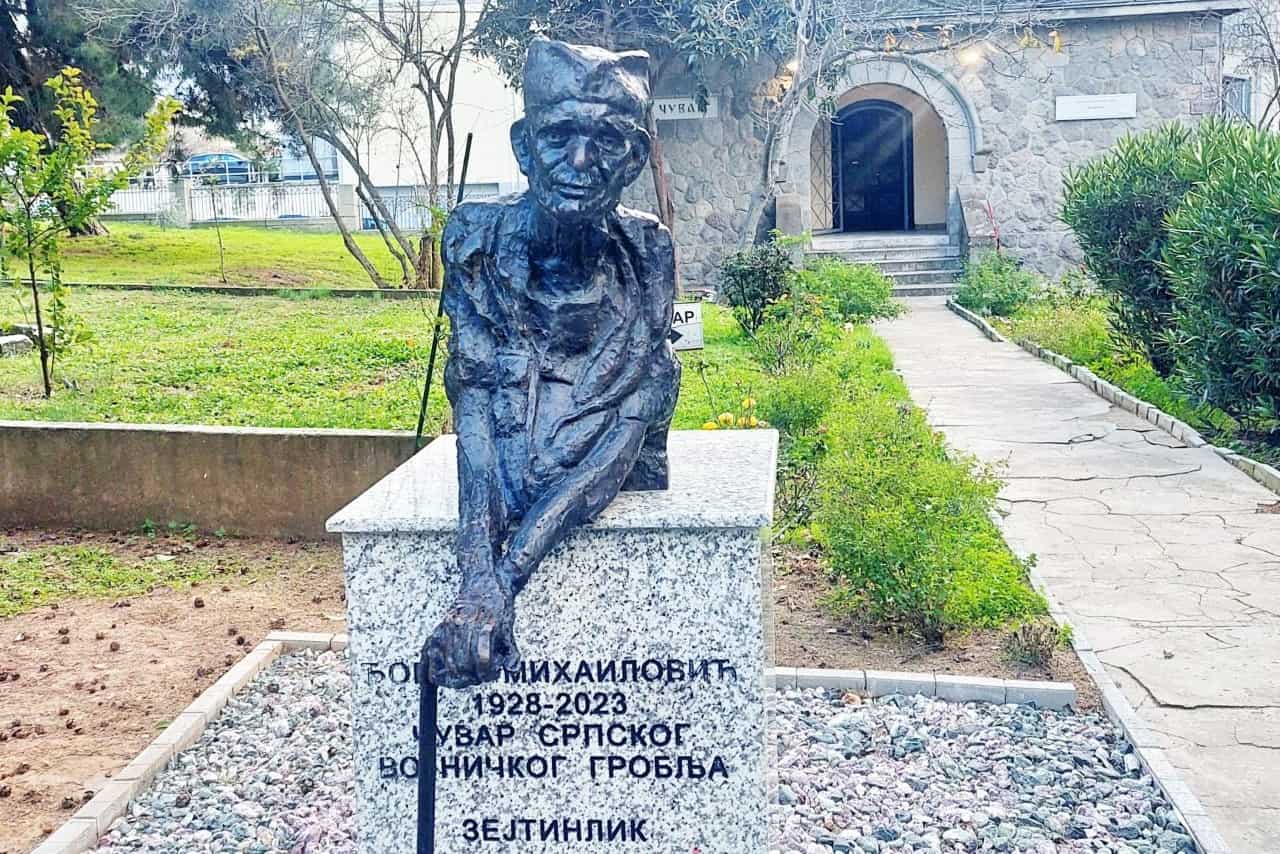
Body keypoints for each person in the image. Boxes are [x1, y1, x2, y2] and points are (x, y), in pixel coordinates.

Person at [425, 39, 681, 689]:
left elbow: (620, 438)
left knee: (660, 375)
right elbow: (474, 407)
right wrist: (476, 576)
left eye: (608, 141)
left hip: (588, 451)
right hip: (513, 438)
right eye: (559, 136)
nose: (581, 162)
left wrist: (500, 583)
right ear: (523, 147)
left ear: (634, 159)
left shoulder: (647, 252)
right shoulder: (476, 242)